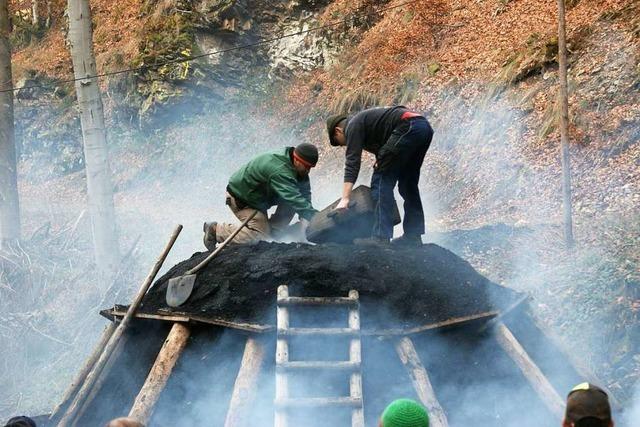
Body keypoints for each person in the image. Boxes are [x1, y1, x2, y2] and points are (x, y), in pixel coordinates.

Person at [326, 106, 433, 246]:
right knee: (408, 184)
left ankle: (381, 238)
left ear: (338, 131)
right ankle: (413, 236)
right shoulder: (367, 125)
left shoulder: (352, 126)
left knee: (381, 181)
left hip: (407, 126)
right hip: (423, 128)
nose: (344, 146)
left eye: (339, 142)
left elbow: (352, 162)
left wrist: (345, 199)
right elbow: (386, 150)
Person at [203, 143, 319, 249]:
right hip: (241, 199)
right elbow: (293, 197)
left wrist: (306, 218)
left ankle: (275, 233)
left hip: (258, 199)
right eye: (307, 167)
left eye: (310, 168)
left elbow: (304, 194)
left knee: (294, 203)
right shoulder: (279, 170)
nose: (308, 171)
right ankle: (216, 230)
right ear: (297, 159)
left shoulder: (297, 167)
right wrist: (312, 215)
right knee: (260, 238)